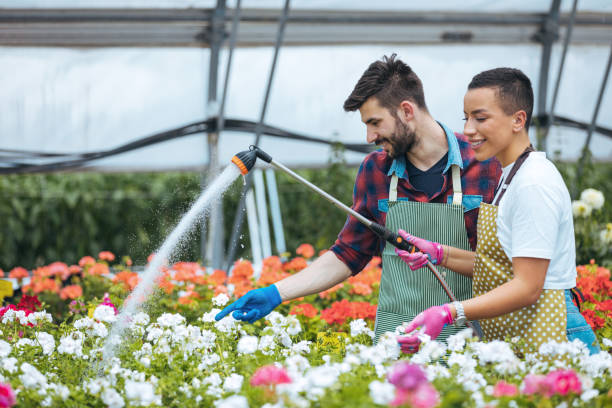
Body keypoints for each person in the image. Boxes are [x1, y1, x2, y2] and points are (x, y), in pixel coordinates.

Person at [216, 54, 501, 343]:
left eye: (375, 122)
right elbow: (348, 254)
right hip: (398, 339)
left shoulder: (486, 163)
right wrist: (276, 292)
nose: (369, 136)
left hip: (470, 339)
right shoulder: (375, 170)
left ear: (406, 111)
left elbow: (504, 266)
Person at [395, 67, 600, 355]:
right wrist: (440, 254)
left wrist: (448, 312)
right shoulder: (511, 176)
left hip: (555, 332)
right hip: (531, 329)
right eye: (466, 118)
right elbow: (501, 268)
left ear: (518, 120)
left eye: (480, 118)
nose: (468, 130)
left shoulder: (533, 183)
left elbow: (528, 286)